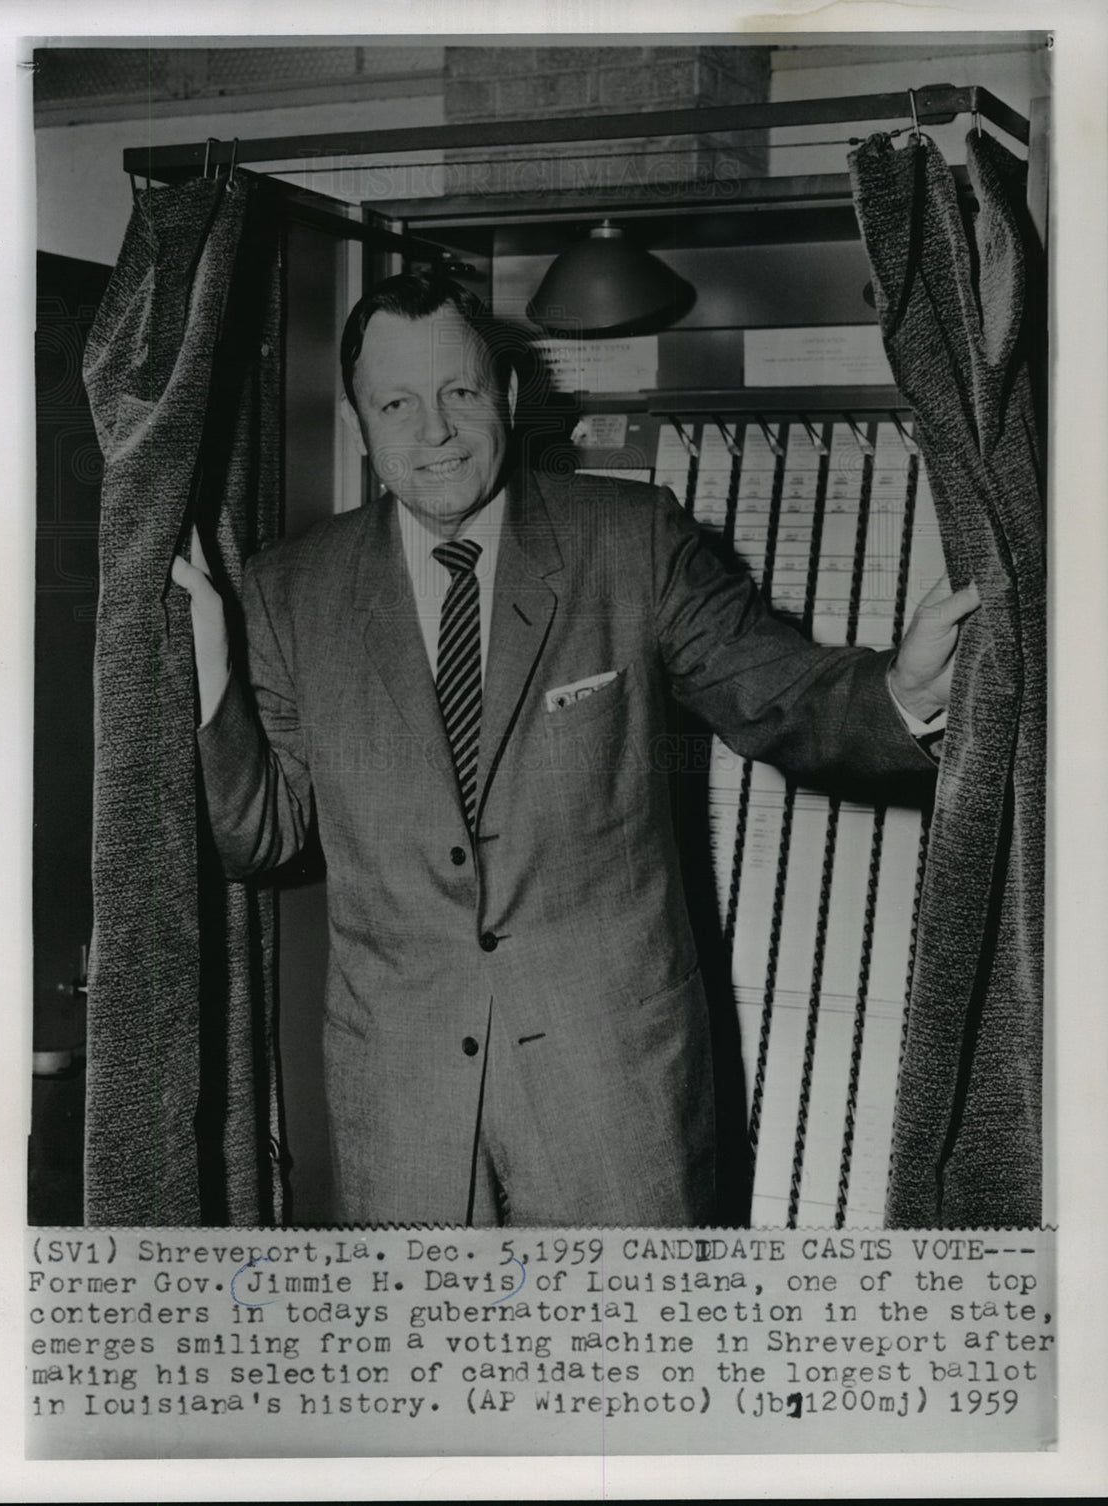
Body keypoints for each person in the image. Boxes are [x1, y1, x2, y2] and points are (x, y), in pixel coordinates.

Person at [172, 272, 977, 1229]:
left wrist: (903, 691)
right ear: (359, 425)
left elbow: (778, 694)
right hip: (402, 1096)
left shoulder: (631, 542)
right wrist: (210, 672)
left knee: (633, 1366)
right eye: (396, 403)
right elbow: (262, 837)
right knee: (425, 1372)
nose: (432, 431)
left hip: (612, 1086)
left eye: (459, 393)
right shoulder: (287, 591)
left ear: (508, 395)